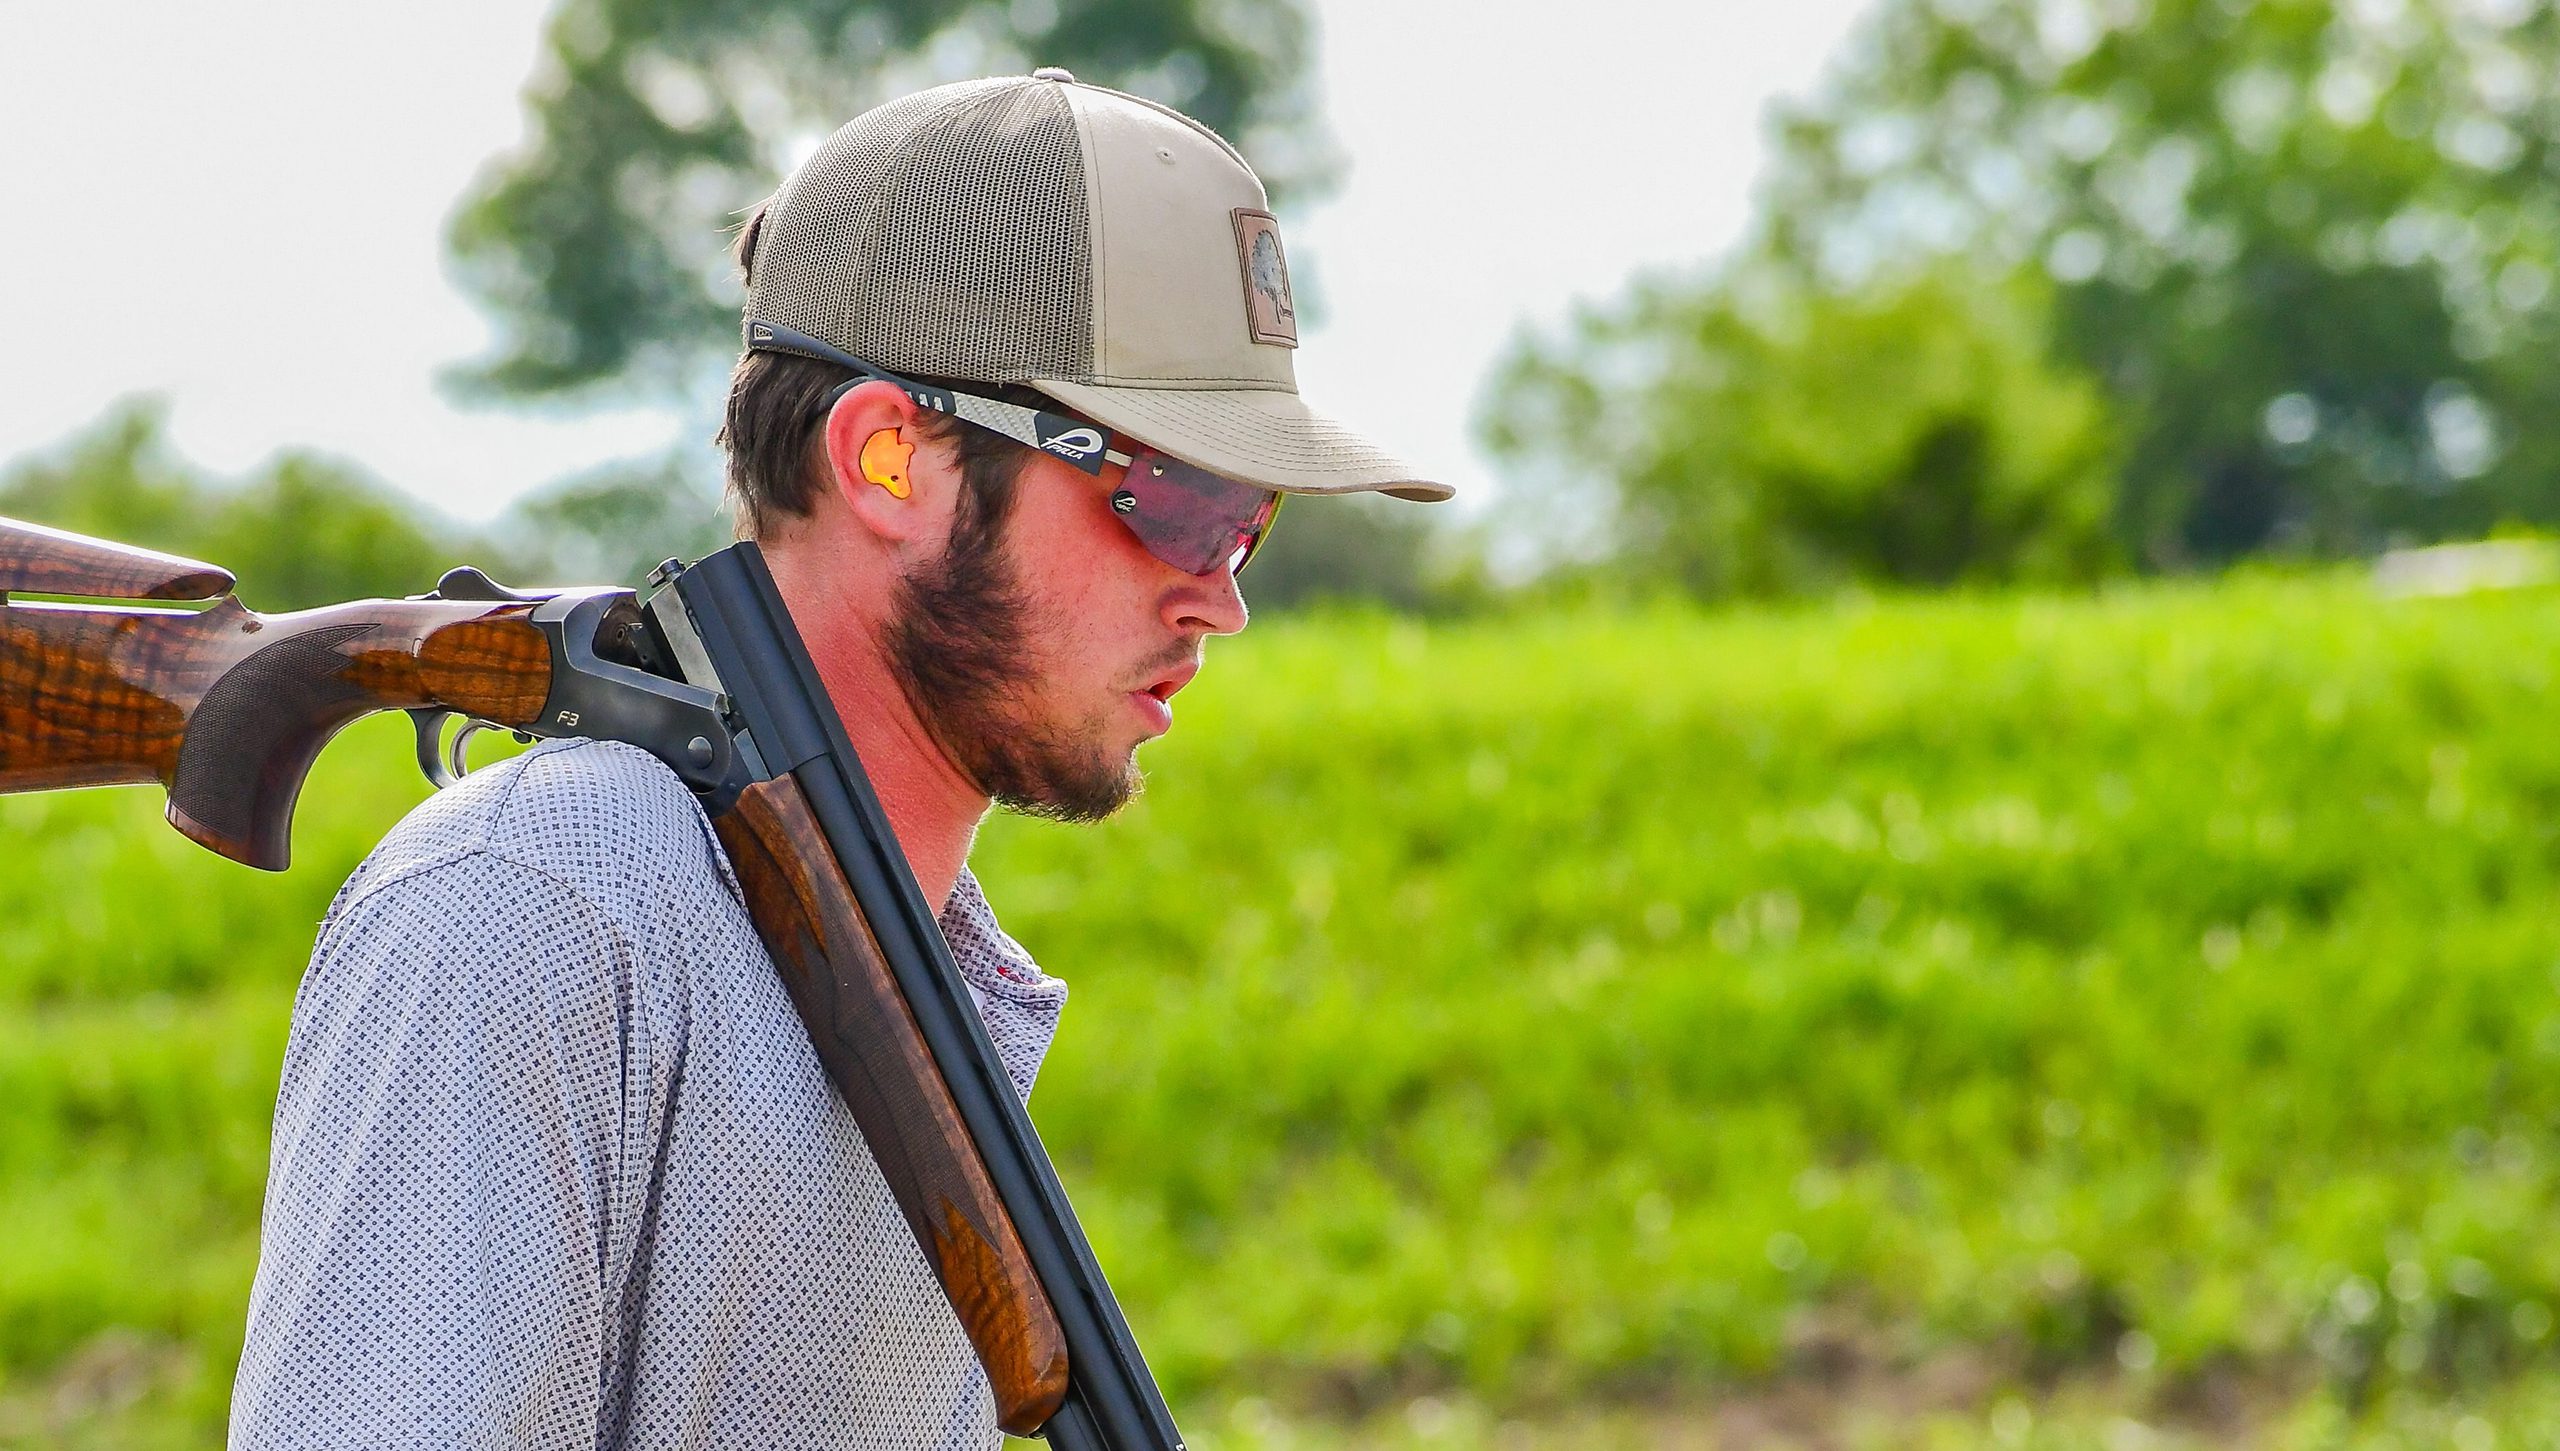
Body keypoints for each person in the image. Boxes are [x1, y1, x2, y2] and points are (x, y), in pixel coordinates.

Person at [227, 69, 1449, 1449]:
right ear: (885, 460)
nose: (1219, 592)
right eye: (1173, 497)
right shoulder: (533, 909)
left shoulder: (926, 966)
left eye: (1249, 518)